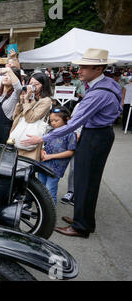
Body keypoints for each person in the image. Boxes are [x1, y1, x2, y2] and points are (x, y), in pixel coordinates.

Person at [22, 48, 123, 238]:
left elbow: (73, 123)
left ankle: (81, 226)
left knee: (85, 181)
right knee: (85, 180)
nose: (80, 70)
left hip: (96, 136)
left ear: (99, 68)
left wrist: (43, 138)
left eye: (85, 66)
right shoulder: (109, 83)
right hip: (99, 133)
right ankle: (83, 219)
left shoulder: (98, 93)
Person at [38, 107, 77, 205]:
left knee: (50, 191)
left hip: (55, 169)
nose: (53, 123)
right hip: (43, 164)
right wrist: (42, 151)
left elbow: (71, 152)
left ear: (67, 119)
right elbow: (43, 144)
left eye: (56, 120)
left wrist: (51, 156)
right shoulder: (50, 132)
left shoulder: (70, 134)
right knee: (40, 189)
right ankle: (42, 210)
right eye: (51, 121)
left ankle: (50, 214)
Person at [0, 67, 22, 144]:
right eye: (5, 75)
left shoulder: (14, 97)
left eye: (9, 76)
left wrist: (9, 70)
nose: (6, 77)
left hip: (4, 135)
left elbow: (19, 88)